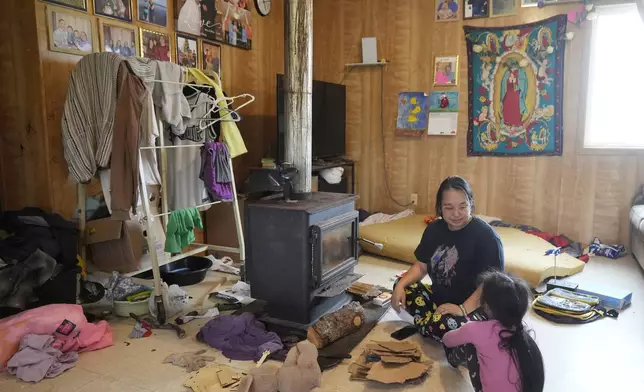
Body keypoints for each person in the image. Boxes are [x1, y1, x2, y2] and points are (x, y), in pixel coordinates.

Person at [391, 176, 504, 367]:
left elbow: (490, 284)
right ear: (439, 207)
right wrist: (401, 284)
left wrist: (462, 309)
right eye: (449, 207)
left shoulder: (486, 236)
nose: (456, 213)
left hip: (475, 308)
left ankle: (431, 325)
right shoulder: (435, 229)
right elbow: (421, 266)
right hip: (440, 302)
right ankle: (438, 328)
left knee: (448, 324)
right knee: (402, 287)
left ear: (471, 204)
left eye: (463, 206)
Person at [443, 271, 544, 392]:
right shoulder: (523, 335)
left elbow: (447, 340)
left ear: (485, 305)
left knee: (469, 343)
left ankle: (452, 362)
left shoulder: (474, 329)